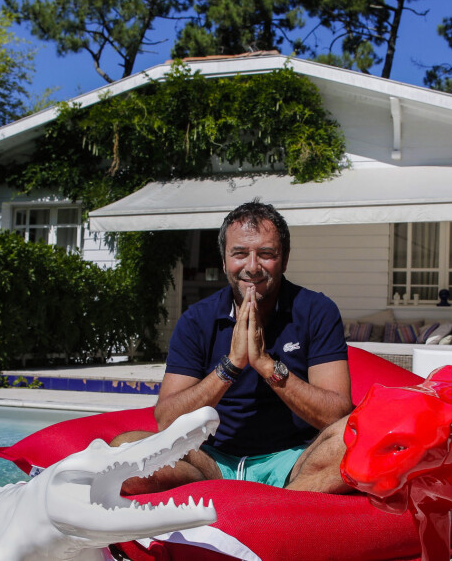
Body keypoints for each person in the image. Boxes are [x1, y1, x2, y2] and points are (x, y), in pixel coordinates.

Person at [117, 200, 353, 495]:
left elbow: (337, 414)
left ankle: (274, 506)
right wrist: (231, 366)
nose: (252, 267)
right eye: (240, 254)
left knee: (352, 440)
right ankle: (259, 504)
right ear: (224, 259)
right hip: (211, 462)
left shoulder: (316, 310)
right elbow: (167, 419)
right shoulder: (197, 319)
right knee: (124, 450)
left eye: (266, 254)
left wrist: (267, 366)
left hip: (293, 461)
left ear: (285, 258)